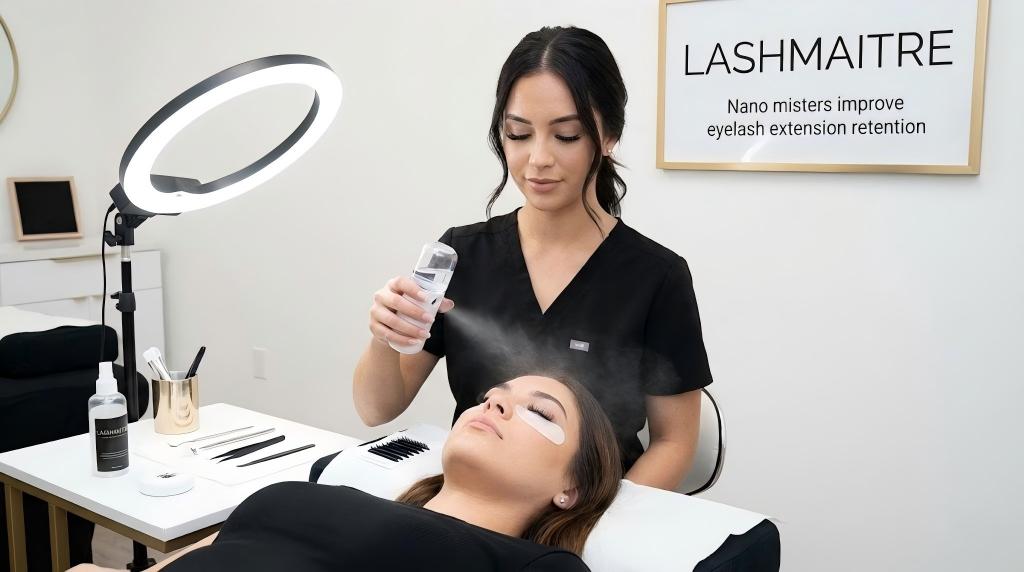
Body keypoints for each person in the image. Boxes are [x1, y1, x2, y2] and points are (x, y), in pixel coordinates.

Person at [354, 26, 713, 490]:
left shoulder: (655, 277)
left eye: (566, 135)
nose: (538, 158)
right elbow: (376, 409)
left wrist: (594, 523)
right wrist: (384, 337)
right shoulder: (464, 254)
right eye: (518, 134)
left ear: (608, 136)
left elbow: (674, 442)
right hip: (472, 500)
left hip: (587, 509)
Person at [69, 375, 621, 572]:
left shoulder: (533, 565)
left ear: (570, 488)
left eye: (540, 412)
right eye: (492, 396)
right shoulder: (325, 494)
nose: (494, 404)